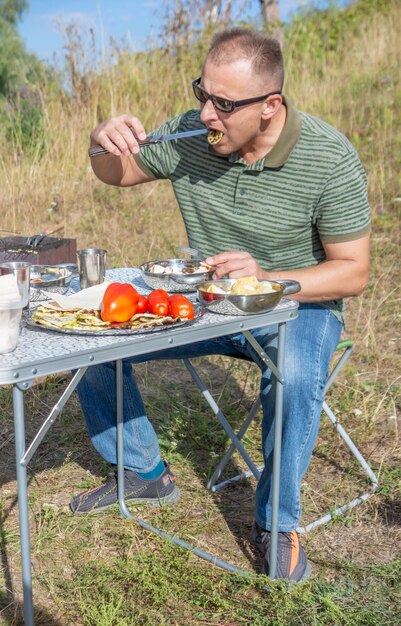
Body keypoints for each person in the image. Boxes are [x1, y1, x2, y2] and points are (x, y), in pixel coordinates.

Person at [71, 27, 370, 583]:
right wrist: (101, 139)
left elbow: (353, 272)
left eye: (224, 104)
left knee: (296, 374)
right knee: (94, 324)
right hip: (209, 301)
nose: (206, 114)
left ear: (270, 106)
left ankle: (277, 525)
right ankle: (142, 471)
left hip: (297, 307)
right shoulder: (191, 134)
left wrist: (270, 277)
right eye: (201, 94)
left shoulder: (328, 156)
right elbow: (118, 173)